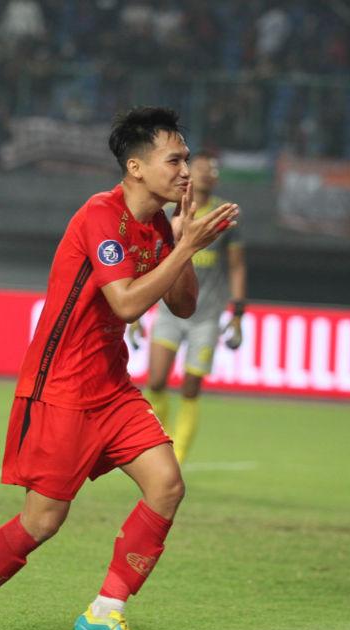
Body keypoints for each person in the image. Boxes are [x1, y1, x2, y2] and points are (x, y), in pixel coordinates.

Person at [0, 107, 239, 630]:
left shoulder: (155, 226)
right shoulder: (101, 215)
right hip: (62, 387)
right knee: (43, 521)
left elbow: (186, 304)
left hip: (111, 385)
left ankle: (106, 610)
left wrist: (179, 240)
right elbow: (123, 301)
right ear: (136, 166)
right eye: (175, 159)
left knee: (167, 484)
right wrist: (187, 247)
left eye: (188, 159)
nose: (186, 170)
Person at [133, 150, 246, 464]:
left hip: (206, 317)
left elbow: (236, 267)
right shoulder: (171, 212)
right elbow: (151, 261)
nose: (207, 173)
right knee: (155, 381)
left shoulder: (224, 216)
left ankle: (178, 455)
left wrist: (237, 313)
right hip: (169, 312)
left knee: (191, 387)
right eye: (200, 168)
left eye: (212, 169)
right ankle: (162, 440)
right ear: (188, 173)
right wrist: (136, 314)